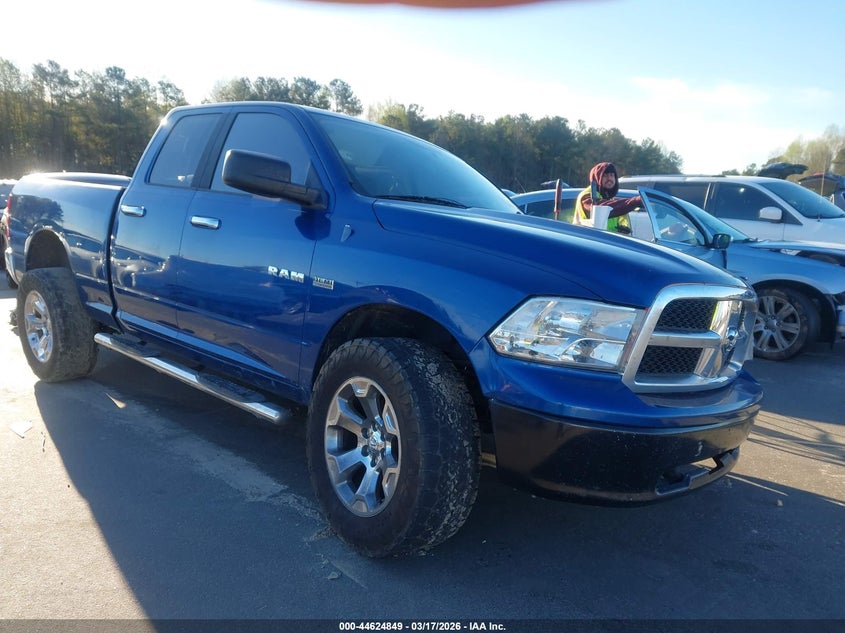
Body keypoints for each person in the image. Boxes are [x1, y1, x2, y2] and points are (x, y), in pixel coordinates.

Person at [572, 162, 642, 233]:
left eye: (611, 175)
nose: (609, 178)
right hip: (587, 240)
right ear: (597, 178)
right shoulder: (587, 196)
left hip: (607, 241)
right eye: (605, 176)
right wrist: (636, 201)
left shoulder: (609, 198)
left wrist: (621, 230)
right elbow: (602, 209)